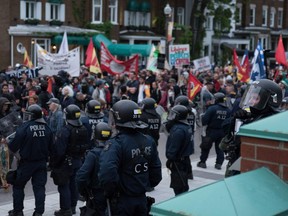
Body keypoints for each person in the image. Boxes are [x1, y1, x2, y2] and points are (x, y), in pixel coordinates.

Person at [98, 100, 162, 215]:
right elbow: (156, 172)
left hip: (122, 201)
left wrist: (111, 192)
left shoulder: (115, 144)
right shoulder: (148, 140)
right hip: (141, 199)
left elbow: (107, 174)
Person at [222, 79, 283, 177]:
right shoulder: (251, 116)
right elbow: (225, 144)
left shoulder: (269, 121)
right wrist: (233, 121)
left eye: (255, 98)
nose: (250, 101)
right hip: (236, 167)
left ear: (268, 100)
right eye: (250, 97)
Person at [8, 104, 53, 216]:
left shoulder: (25, 127)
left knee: (18, 186)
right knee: (39, 188)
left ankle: (18, 211)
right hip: (42, 163)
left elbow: (13, 146)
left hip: (26, 164)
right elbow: (52, 147)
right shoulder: (47, 128)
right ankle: (38, 212)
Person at [51, 104, 89, 216]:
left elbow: (59, 150)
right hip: (78, 160)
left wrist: (54, 164)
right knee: (74, 185)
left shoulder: (65, 130)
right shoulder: (83, 128)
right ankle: (72, 207)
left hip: (65, 163)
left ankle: (65, 209)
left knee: (64, 186)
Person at [76, 122, 112, 216]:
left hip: (97, 193)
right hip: (113, 192)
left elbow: (81, 176)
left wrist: (84, 192)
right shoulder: (116, 150)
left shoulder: (93, 154)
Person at [197, 92, 231, 170]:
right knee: (220, 148)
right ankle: (219, 164)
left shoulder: (212, 108)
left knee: (206, 146)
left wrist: (202, 117)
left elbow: (204, 121)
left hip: (211, 131)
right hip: (222, 132)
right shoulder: (228, 110)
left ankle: (202, 162)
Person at [165, 105, 193, 196]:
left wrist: (170, 159)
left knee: (179, 186)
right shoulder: (187, 126)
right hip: (185, 160)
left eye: (174, 114)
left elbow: (173, 148)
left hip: (178, 162)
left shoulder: (178, 130)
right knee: (183, 184)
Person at [174, 95, 196, 179]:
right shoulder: (193, 111)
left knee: (180, 156)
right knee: (186, 156)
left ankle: (182, 174)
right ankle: (189, 173)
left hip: (180, 134)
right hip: (190, 133)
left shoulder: (179, 111)